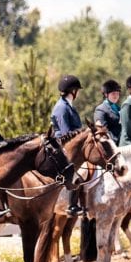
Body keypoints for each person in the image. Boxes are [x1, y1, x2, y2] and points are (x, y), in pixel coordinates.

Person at [51, 74, 84, 216]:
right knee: (77, 174)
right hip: (63, 146)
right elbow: (66, 133)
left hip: (72, 144)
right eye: (77, 90)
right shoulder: (61, 107)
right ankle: (72, 205)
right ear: (73, 91)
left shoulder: (69, 106)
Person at [93, 79, 122, 144]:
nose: (116, 96)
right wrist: (116, 141)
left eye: (117, 94)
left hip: (122, 142)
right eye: (113, 94)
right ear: (106, 95)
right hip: (111, 144)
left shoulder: (119, 108)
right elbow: (102, 130)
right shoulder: (100, 109)